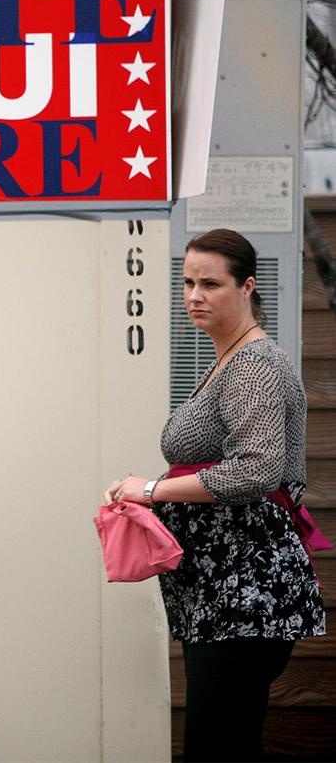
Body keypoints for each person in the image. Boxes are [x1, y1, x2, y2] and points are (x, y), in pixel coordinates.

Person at [104, 228, 326, 762]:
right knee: (224, 739)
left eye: (211, 283)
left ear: (247, 287)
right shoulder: (226, 358)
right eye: (186, 283)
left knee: (217, 743)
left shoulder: (255, 364)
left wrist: (152, 490)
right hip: (222, 589)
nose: (195, 295)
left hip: (245, 588)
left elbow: (256, 469)